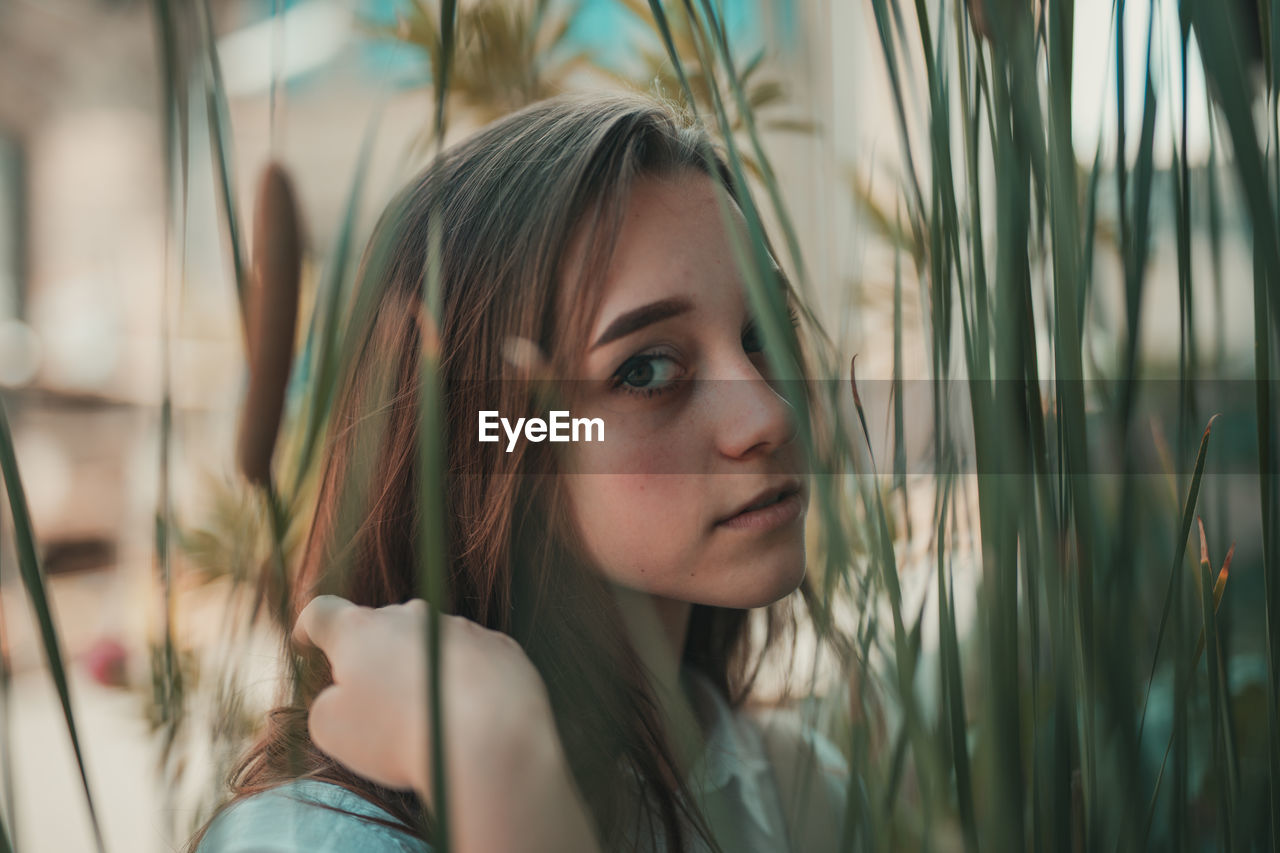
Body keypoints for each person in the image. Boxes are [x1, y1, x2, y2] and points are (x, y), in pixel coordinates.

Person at [189, 92, 851, 853]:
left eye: (763, 329)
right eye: (645, 368)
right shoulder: (321, 842)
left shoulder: (801, 796)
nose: (768, 416)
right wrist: (496, 767)